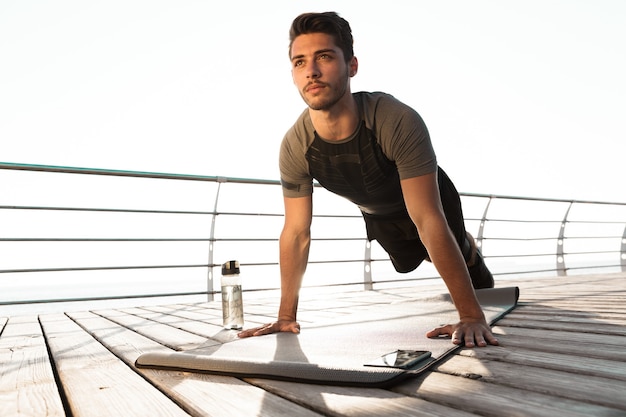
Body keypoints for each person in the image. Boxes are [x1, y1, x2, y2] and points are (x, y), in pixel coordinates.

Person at [239, 11, 498, 348]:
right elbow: (296, 232)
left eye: (325, 57)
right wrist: (286, 316)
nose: (312, 71)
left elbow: (427, 217)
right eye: (300, 62)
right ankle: (450, 251)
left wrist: (471, 316)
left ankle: (468, 251)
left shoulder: (395, 119)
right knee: (407, 262)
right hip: (378, 213)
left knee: (447, 248)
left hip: (428, 199)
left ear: (352, 66)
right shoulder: (295, 145)